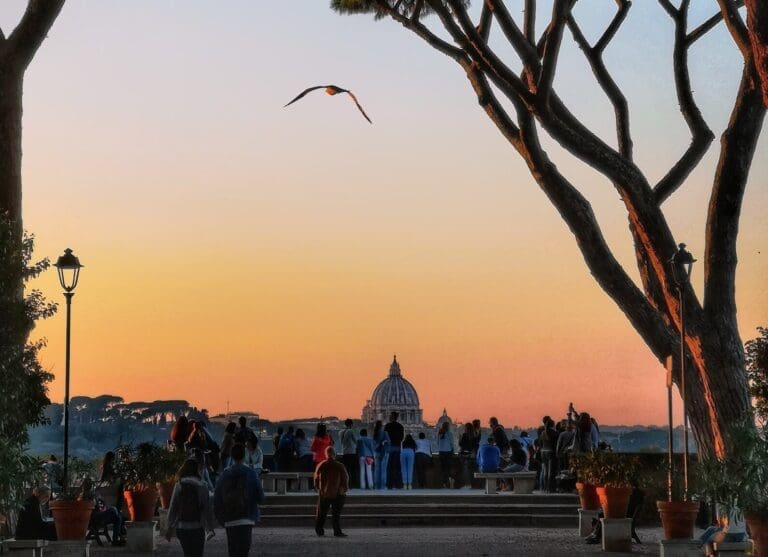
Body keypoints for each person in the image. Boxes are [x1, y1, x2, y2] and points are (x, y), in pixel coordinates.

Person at [213, 443, 265, 557]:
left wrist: (221, 518)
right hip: (247, 518)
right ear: (244, 455)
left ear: (231, 456)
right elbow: (261, 497)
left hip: (229, 519)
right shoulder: (251, 473)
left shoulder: (224, 475)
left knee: (232, 551)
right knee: (244, 551)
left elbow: (217, 499)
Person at [166, 459, 215, 557]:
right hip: (197, 527)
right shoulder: (202, 485)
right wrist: (210, 527)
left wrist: (169, 527)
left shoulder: (179, 485)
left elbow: (173, 507)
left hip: (182, 527)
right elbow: (207, 509)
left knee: (187, 553)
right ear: (197, 470)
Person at [313, 446, 348, 537]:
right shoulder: (339, 465)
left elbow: (316, 479)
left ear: (326, 454)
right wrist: (344, 490)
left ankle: (319, 531)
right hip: (337, 494)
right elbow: (345, 479)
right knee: (336, 514)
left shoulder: (321, 465)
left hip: (324, 493)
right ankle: (337, 531)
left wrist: (319, 489)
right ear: (334, 454)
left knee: (321, 513)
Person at [538, 416, 559, 493]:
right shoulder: (555, 433)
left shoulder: (543, 433)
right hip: (551, 452)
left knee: (545, 471)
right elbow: (557, 444)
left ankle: (545, 488)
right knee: (551, 471)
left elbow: (540, 443)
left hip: (543, 452)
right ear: (553, 425)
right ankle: (551, 488)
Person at [384, 412, 404, 489]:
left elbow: (385, 437)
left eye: (390, 416)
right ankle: (398, 484)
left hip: (389, 448)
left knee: (389, 467)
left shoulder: (387, 426)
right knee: (397, 467)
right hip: (397, 447)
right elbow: (401, 438)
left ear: (392, 417)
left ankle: (389, 484)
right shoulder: (400, 426)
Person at [339, 419, 358, 489]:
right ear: (351, 424)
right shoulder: (350, 431)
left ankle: (345, 484)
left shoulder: (340, 432)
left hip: (344, 452)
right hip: (351, 452)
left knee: (346, 469)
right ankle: (351, 485)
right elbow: (355, 441)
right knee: (352, 469)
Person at [372, 420, 390, 490]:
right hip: (384, 452)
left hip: (376, 452)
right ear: (382, 426)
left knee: (376, 469)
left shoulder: (374, 433)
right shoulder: (385, 433)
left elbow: (373, 444)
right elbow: (389, 442)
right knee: (383, 469)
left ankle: (376, 485)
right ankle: (383, 485)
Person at [437, 421, 455, 488]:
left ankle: (444, 483)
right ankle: (451, 481)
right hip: (448, 452)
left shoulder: (439, 434)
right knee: (449, 468)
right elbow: (452, 444)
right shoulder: (450, 434)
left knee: (443, 468)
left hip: (441, 452)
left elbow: (437, 443)